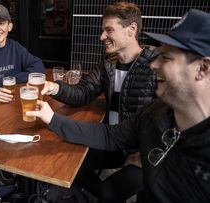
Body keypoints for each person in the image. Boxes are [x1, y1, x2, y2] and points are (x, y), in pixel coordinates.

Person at [28, 9, 210, 202]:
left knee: (109, 190)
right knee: (69, 164)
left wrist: (144, 155)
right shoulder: (153, 112)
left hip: (135, 150)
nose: (154, 65)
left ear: (203, 69)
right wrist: (53, 111)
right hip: (125, 143)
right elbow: (109, 132)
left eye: (165, 58)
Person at [43, 2, 157, 201]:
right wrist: (56, 88)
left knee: (107, 192)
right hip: (111, 140)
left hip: (141, 152)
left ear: (132, 29)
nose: (101, 37)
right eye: (103, 30)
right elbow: (83, 93)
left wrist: (149, 155)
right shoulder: (108, 63)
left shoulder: (154, 66)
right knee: (67, 166)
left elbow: (168, 120)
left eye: (109, 30)